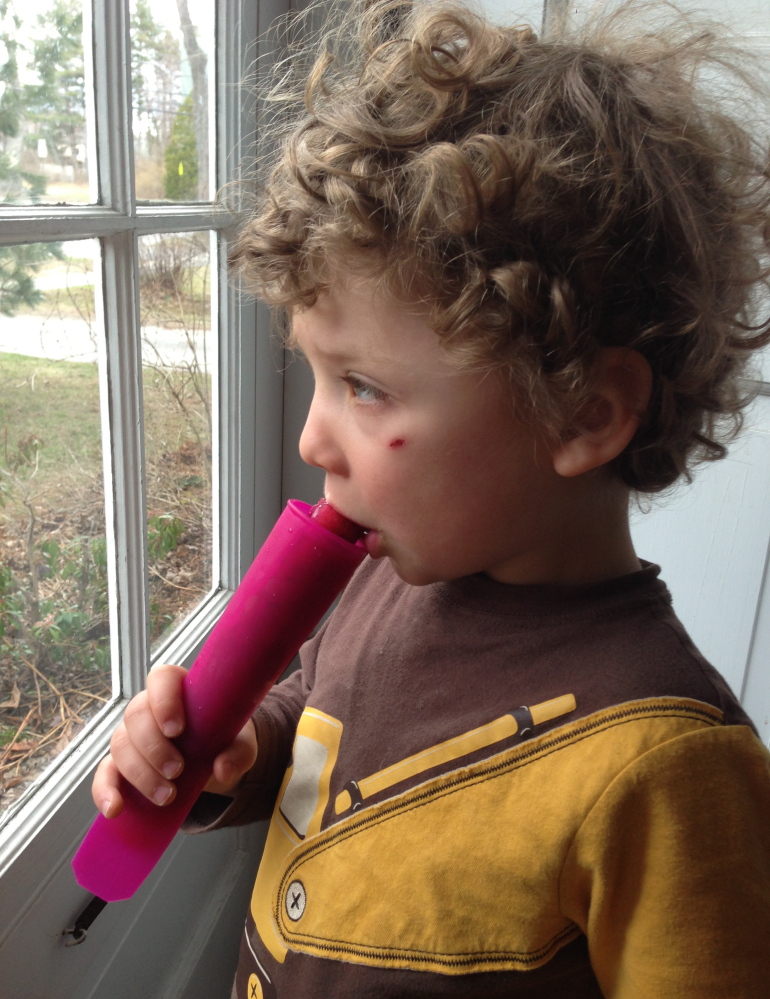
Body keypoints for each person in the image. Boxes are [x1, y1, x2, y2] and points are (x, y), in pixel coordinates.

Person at [93, 2, 770, 995]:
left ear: (579, 413)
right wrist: (241, 749)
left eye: (362, 387)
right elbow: (318, 722)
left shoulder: (665, 767)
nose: (310, 436)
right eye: (315, 376)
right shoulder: (382, 577)